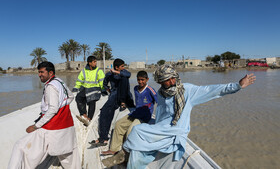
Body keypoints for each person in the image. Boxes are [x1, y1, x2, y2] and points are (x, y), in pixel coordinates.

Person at [122, 64, 256, 169]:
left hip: (177, 130)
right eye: (168, 80)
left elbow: (212, 90)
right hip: (162, 128)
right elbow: (161, 114)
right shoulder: (161, 94)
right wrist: (156, 128)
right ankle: (127, 156)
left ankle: (127, 155)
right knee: (138, 130)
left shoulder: (188, 91)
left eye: (173, 77)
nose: (173, 80)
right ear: (161, 81)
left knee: (138, 133)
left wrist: (237, 86)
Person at [8, 61, 81, 169]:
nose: (39, 75)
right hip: (66, 126)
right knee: (69, 156)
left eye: (42, 72)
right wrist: (62, 106)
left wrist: (35, 126)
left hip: (51, 129)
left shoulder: (50, 86)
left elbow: (52, 109)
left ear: (50, 73)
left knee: (20, 146)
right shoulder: (60, 81)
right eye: (38, 72)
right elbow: (70, 97)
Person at [101, 71, 157, 167]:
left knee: (130, 130)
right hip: (135, 113)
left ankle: (126, 156)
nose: (140, 82)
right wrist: (125, 103)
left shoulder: (150, 90)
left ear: (147, 80)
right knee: (118, 124)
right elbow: (134, 102)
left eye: (142, 80)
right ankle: (114, 149)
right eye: (138, 80)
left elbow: (159, 102)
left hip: (145, 116)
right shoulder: (135, 88)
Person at [89, 58, 134, 146]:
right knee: (105, 113)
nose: (123, 68)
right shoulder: (109, 74)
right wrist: (108, 90)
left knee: (107, 112)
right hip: (114, 95)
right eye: (121, 66)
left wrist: (116, 72)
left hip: (123, 96)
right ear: (116, 67)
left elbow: (128, 74)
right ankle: (103, 138)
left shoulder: (123, 74)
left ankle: (103, 138)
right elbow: (104, 83)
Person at [72, 55, 105, 126]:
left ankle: (89, 119)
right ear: (89, 63)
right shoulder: (84, 71)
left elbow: (102, 81)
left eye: (95, 62)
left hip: (95, 89)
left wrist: (103, 90)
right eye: (94, 62)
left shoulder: (98, 71)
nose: (95, 63)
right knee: (78, 97)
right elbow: (79, 81)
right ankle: (84, 115)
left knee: (92, 100)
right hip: (85, 88)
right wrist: (75, 88)